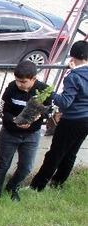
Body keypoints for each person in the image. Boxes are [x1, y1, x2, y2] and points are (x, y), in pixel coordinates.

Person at [30, 40, 88, 191]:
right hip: (85, 121)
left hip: (72, 121)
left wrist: (48, 91)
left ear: (72, 57)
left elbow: (65, 102)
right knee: (71, 153)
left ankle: (37, 186)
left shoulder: (74, 77)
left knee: (55, 154)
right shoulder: (80, 73)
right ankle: (57, 183)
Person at [0, 61, 51, 201]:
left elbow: (49, 112)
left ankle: (13, 187)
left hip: (31, 135)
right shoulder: (11, 88)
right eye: (17, 80)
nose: (19, 84)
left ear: (33, 79)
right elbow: (3, 111)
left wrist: (37, 117)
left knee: (26, 166)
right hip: (10, 133)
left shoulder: (44, 90)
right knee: (3, 163)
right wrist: (15, 120)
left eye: (23, 81)